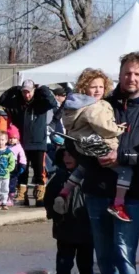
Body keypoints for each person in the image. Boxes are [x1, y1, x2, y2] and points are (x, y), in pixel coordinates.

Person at [78, 52, 139, 274]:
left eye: (136, 74)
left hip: (131, 191)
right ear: (119, 74)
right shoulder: (101, 104)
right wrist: (94, 152)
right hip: (97, 188)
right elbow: (78, 141)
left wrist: (122, 156)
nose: (130, 78)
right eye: (126, 72)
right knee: (105, 253)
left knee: (124, 251)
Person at [55, 68, 129, 220]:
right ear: (84, 87)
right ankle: (118, 204)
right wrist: (120, 129)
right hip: (99, 143)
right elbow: (105, 127)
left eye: (101, 87)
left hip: (80, 144)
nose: (98, 90)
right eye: (93, 86)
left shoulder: (74, 104)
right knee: (126, 170)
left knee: (83, 167)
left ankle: (65, 192)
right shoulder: (94, 107)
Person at [44, 148, 96, 274]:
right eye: (65, 154)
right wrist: (55, 212)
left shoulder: (89, 176)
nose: (67, 158)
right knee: (63, 268)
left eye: (71, 154)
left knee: (86, 269)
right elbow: (48, 200)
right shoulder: (58, 177)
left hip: (87, 232)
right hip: (65, 231)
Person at [0, 79, 57, 203]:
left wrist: (43, 88)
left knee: (39, 172)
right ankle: (22, 193)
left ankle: (39, 194)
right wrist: (14, 89)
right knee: (22, 169)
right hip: (22, 143)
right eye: (24, 92)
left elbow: (52, 102)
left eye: (29, 92)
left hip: (38, 143)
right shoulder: (17, 103)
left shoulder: (40, 103)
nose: (27, 95)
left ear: (34, 91)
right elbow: (1, 101)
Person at [6, 125, 27, 207]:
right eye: (10, 138)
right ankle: (3, 198)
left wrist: (22, 165)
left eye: (14, 138)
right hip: (5, 167)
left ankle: (10, 198)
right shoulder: (5, 146)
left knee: (12, 184)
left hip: (14, 168)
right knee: (4, 184)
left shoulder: (18, 147)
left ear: (17, 139)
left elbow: (22, 156)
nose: (12, 140)